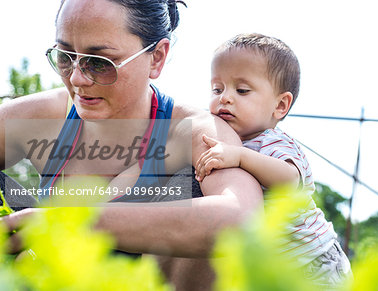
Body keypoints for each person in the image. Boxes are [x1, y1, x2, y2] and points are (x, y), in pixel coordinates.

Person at [0, 1, 263, 290]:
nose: (76, 78)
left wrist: (73, 221)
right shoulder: (45, 117)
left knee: (195, 188)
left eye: (99, 62)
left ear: (157, 58)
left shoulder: (193, 131)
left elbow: (242, 218)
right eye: (65, 57)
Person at [195, 33, 352, 286]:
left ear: (280, 105)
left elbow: (290, 180)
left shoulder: (272, 142)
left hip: (313, 262)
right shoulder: (228, 141)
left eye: (242, 90)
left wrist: (241, 157)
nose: (225, 97)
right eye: (217, 88)